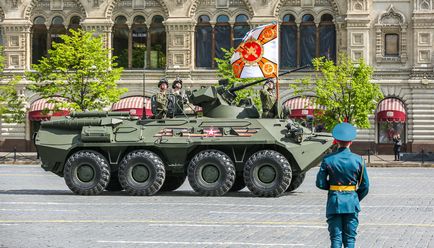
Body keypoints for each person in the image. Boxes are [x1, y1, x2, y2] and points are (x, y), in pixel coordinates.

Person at [316, 122, 370, 248]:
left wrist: (332, 188)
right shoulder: (359, 160)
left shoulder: (328, 159)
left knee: (335, 238)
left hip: (334, 201)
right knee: (350, 239)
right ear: (351, 141)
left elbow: (320, 183)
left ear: (336, 141)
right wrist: (355, 197)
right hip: (351, 201)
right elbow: (365, 186)